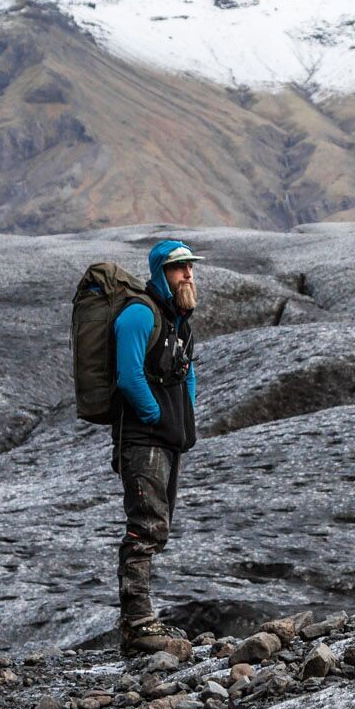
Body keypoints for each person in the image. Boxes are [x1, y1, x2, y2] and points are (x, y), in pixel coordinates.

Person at [112, 239, 202, 657]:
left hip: (167, 440)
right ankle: (137, 622)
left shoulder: (178, 320)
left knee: (156, 527)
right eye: (178, 268)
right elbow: (129, 377)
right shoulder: (139, 314)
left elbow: (187, 375)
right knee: (145, 527)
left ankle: (139, 619)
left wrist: (184, 415)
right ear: (159, 273)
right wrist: (155, 417)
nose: (188, 274)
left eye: (189, 267)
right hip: (144, 441)